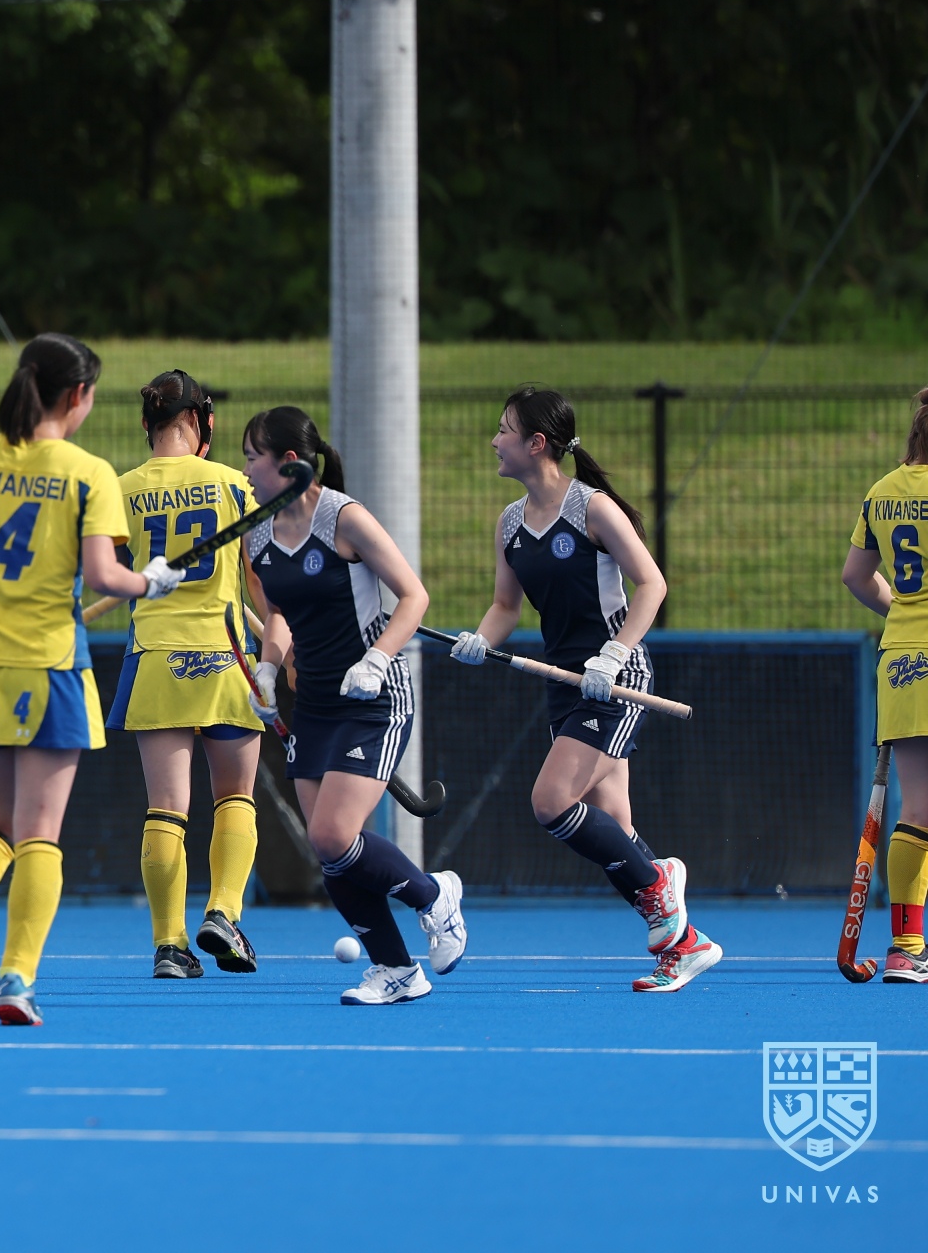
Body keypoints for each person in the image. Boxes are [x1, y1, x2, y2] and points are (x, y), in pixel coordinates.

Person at [0, 334, 174, 1026]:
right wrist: (150, 582)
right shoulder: (88, 472)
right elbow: (105, 576)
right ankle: (15, 980)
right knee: (40, 833)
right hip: (50, 665)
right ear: (77, 396)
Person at [447, 387, 720, 992]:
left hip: (616, 679)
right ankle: (685, 944)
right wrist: (479, 640)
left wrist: (616, 652)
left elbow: (652, 584)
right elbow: (505, 605)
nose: (494, 440)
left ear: (536, 443)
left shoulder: (591, 508)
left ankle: (659, 884)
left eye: (504, 430)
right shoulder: (509, 523)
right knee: (613, 824)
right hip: (565, 683)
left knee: (550, 802)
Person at [240, 405, 466, 1005]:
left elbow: (414, 596)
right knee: (329, 848)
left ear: (289, 463)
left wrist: (378, 658)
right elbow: (278, 613)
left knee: (335, 833)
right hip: (314, 700)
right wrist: (268, 668)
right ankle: (396, 970)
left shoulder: (345, 518)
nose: (246, 470)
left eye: (253, 458)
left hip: (375, 698)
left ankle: (434, 896)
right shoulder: (258, 532)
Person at [84, 370, 266, 979]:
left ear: (147, 424)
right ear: (201, 421)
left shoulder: (121, 488)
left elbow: (105, 572)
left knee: (165, 807)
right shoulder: (235, 485)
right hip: (226, 657)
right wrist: (284, 645)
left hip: (155, 657)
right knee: (235, 795)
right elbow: (259, 582)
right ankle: (224, 913)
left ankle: (169, 945)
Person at [840, 385, 928, 985]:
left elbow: (856, 576)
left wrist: (903, 610)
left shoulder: (882, 491)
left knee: (917, 806)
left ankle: (905, 948)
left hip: (903, 658)